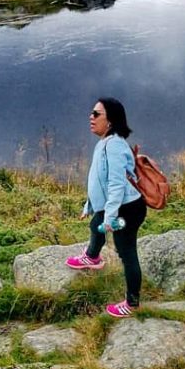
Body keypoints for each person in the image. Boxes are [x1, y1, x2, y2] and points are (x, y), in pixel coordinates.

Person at [65, 97, 146, 317]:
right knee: (95, 225)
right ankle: (92, 257)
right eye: (92, 113)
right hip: (117, 206)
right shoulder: (106, 143)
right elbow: (99, 179)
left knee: (126, 251)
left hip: (126, 208)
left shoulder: (115, 146)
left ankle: (132, 303)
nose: (90, 117)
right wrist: (91, 206)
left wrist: (110, 216)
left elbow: (116, 184)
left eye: (96, 114)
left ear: (110, 121)